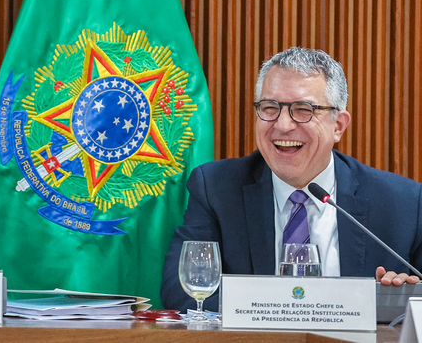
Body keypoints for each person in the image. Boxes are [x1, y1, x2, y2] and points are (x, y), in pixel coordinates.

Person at [160, 47, 422, 312]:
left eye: (303, 109)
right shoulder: (216, 188)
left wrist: (403, 296)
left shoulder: (403, 203)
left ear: (338, 126)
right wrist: (277, 313)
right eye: (270, 108)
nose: (283, 125)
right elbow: (182, 290)